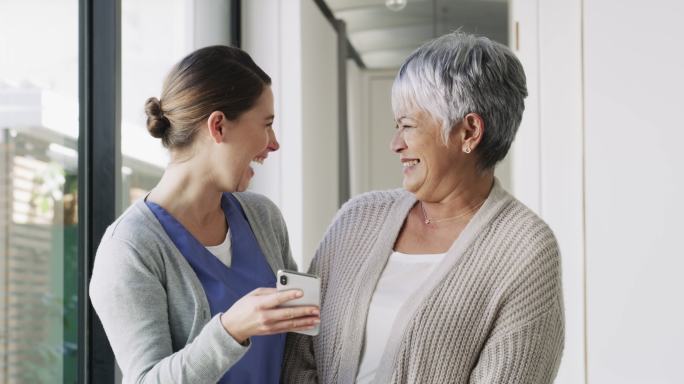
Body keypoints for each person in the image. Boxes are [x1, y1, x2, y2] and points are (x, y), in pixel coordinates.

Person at [282, 31, 564, 383]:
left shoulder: (525, 248)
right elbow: (297, 346)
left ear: (469, 132)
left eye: (408, 126)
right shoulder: (355, 218)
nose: (395, 143)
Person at [90, 45, 320, 384]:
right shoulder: (129, 248)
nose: (274, 143)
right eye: (266, 125)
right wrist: (231, 330)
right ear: (218, 127)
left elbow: (300, 341)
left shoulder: (264, 218)